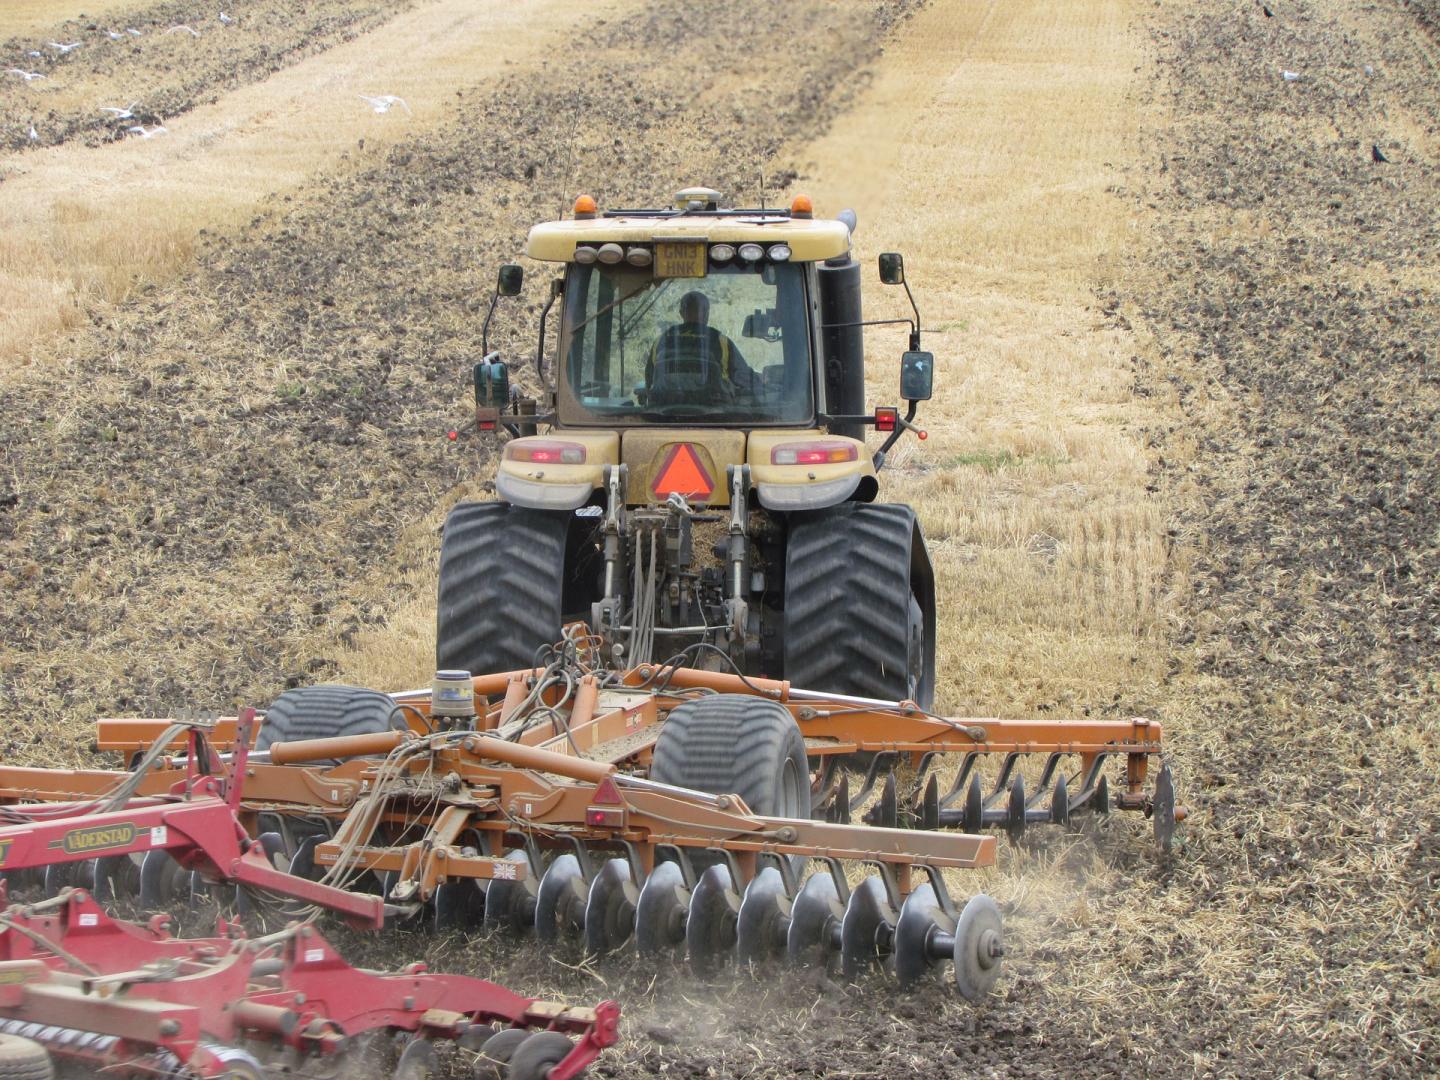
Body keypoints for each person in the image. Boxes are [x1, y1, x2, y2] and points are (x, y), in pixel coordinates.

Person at [644, 291, 760, 404]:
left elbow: (650, 380)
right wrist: (761, 382)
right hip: (717, 417)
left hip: (665, 416)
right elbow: (743, 378)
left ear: (681, 313)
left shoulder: (661, 341)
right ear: (706, 313)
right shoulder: (720, 341)